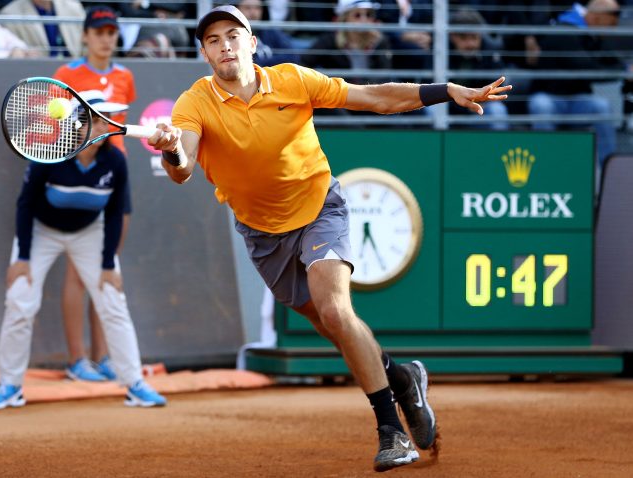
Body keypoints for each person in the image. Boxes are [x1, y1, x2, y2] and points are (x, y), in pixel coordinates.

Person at [146, 4, 510, 471]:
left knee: (337, 310)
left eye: (234, 35)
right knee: (330, 327)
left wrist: (446, 91)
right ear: (204, 53)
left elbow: (375, 97)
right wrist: (173, 149)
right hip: (263, 234)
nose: (225, 45)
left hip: (319, 207)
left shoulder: (294, 79)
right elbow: (183, 171)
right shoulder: (194, 103)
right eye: (214, 40)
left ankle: (391, 432)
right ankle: (403, 378)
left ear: (252, 43)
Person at [0, 91, 167, 410]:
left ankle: (134, 383)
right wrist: (22, 258)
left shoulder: (115, 160)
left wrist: (108, 264)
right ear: (77, 124)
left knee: (113, 301)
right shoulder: (48, 156)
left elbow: (114, 212)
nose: (105, 126)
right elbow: (25, 205)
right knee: (20, 302)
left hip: (89, 232)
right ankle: (9, 386)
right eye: (96, 120)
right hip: (42, 231)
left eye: (108, 120)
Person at [53, 5, 137, 382]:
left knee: (107, 268)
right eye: (99, 31)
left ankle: (102, 357)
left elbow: (118, 130)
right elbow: (58, 129)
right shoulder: (66, 75)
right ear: (85, 35)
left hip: (114, 177)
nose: (106, 38)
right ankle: (76, 360)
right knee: (77, 271)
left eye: (111, 32)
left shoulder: (125, 76)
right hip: (78, 176)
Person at [528, 0, 623, 166]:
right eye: (610, 25)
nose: (611, 31)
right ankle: (544, 166)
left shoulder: (593, 36)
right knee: (542, 106)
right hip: (550, 97)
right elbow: (586, 68)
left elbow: (616, 63)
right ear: (597, 18)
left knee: (602, 107)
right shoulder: (564, 30)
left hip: (578, 100)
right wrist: (622, 73)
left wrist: (623, 71)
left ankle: (610, 169)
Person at [448, 8, 509, 130]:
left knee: (497, 110)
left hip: (480, 110)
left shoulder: (490, 52)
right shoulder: (441, 50)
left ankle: (499, 148)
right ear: (452, 36)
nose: (470, 44)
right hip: (449, 110)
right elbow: (430, 86)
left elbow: (497, 88)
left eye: (474, 37)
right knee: (432, 109)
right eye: (463, 38)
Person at [0, 0, 85, 58]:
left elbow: (86, 46)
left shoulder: (74, 7)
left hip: (75, 71)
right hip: (38, 77)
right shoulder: (9, 14)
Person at [236, 0, 301, 66]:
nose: (253, 12)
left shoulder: (270, 31)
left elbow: (293, 56)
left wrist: (262, 63)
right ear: (237, 10)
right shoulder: (234, 36)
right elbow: (246, 65)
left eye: (257, 8)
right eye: (247, 8)